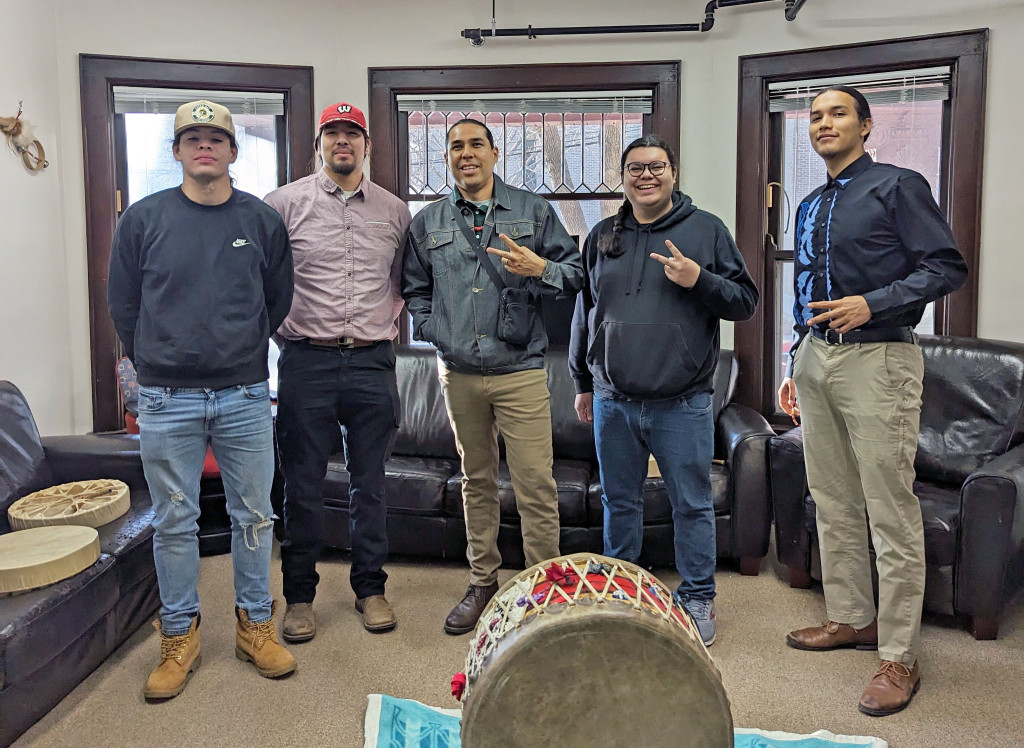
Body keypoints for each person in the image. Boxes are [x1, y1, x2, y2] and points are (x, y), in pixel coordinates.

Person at [779, 85, 967, 716]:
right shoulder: (808, 204)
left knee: (889, 508)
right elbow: (803, 283)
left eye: (837, 114)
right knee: (832, 500)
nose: (823, 124)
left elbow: (946, 267)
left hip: (880, 357)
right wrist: (793, 360)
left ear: (864, 125)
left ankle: (898, 656)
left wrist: (873, 303)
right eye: (814, 116)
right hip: (816, 358)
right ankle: (852, 619)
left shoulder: (898, 185)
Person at [107, 99, 296, 700]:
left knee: (254, 516)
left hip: (243, 394)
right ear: (178, 152)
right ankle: (180, 633)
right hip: (166, 399)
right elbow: (123, 304)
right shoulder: (143, 220)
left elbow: (278, 300)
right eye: (193, 138)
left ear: (233, 151)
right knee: (173, 521)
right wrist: (159, 360)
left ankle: (254, 625)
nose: (204, 147)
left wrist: (236, 347)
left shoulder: (261, 221)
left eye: (216, 138)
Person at [568, 134, 757, 647]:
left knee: (691, 504)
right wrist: (583, 382)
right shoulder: (604, 234)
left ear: (673, 173)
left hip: (682, 402)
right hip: (613, 401)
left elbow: (744, 302)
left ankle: (697, 595)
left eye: (656, 167)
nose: (645, 175)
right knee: (619, 503)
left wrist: (699, 279)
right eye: (635, 168)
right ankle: (623, 589)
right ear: (623, 176)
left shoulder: (706, 230)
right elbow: (586, 313)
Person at [402, 118, 584, 634]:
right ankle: (483, 580)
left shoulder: (533, 211)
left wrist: (539, 269)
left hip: (521, 370)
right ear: (447, 158)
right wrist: (435, 328)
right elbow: (414, 288)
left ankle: (541, 589)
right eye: (455, 146)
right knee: (475, 481)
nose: (466, 154)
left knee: (535, 485)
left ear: (494, 152)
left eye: (475, 144)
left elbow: (575, 274)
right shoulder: (428, 221)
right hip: (458, 373)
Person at [264, 102, 411, 639]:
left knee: (369, 485)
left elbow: (400, 285)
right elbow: (268, 283)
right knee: (300, 486)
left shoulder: (395, 211)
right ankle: (299, 597)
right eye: (333, 133)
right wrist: (293, 339)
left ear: (367, 145)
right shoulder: (282, 204)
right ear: (319, 144)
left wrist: (375, 329)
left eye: (353, 133)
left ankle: (370, 589)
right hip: (308, 361)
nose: (342, 142)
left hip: (373, 362)